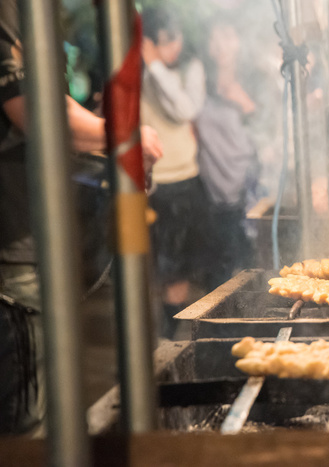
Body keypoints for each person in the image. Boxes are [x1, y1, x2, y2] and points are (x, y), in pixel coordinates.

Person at [0, 0, 162, 435]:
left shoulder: (29, 16)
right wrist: (123, 138)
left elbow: (54, 107)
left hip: (31, 238)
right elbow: (32, 110)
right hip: (11, 247)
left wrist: (113, 139)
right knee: (26, 429)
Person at [141, 6, 208, 338]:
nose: (175, 46)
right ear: (149, 41)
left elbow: (185, 109)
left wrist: (154, 64)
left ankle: (174, 337)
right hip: (151, 185)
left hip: (184, 182)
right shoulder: (138, 72)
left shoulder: (190, 68)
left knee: (178, 270)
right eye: (166, 40)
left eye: (177, 37)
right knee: (153, 269)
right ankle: (159, 338)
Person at [196, 15, 259, 289]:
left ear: (239, 43)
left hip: (245, 193)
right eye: (216, 37)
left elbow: (268, 135)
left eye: (228, 37)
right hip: (209, 191)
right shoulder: (199, 85)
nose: (222, 44)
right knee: (216, 275)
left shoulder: (255, 81)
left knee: (247, 273)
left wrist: (246, 104)